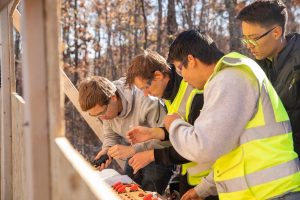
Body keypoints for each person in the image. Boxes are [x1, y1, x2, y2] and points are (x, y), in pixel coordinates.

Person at [164, 29, 300, 200]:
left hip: (272, 193)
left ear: (191, 60)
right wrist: (203, 189)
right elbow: (231, 151)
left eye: (179, 69)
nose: (183, 78)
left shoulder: (229, 78)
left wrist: (174, 125)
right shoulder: (229, 77)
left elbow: (204, 146)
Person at [125, 50, 218, 199]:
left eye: (145, 88)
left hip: (212, 181)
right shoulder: (169, 95)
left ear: (158, 75)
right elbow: (183, 129)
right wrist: (153, 133)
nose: (146, 94)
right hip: (191, 175)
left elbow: (195, 143)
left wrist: (152, 155)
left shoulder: (195, 91)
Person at [78, 76, 173, 194]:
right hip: (133, 152)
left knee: (149, 194)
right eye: (96, 115)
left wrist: (133, 149)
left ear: (113, 98)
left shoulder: (146, 100)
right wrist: (107, 149)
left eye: (102, 113)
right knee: (127, 192)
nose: (102, 118)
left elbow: (167, 137)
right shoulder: (105, 105)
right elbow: (110, 134)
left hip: (159, 154)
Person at [237, 0, 300, 154]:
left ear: (276, 32)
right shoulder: (255, 69)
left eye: (253, 38)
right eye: (245, 39)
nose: (248, 45)